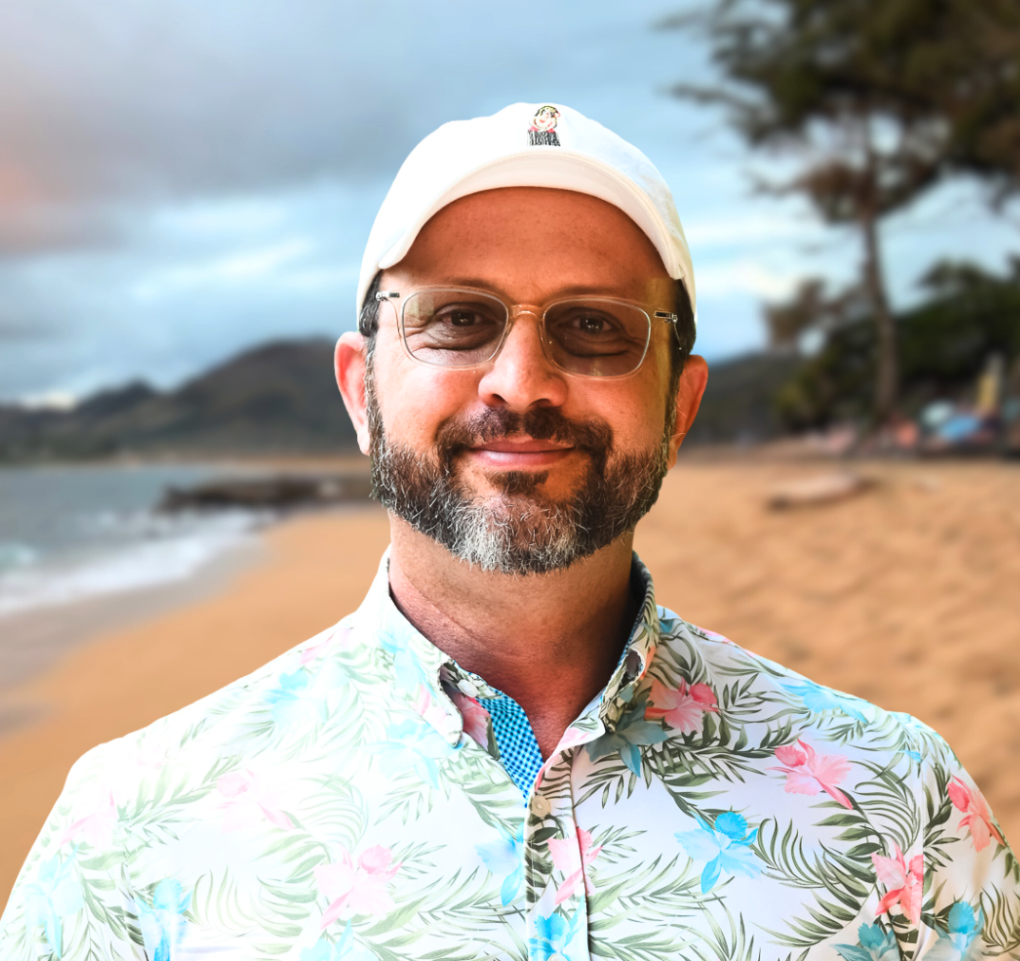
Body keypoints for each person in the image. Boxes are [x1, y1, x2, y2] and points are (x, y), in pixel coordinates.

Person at [1, 103, 1017, 961]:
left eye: (596, 327)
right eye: (458, 320)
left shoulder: (897, 801)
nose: (521, 384)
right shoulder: (130, 832)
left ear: (679, 407)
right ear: (360, 393)